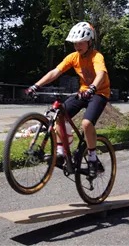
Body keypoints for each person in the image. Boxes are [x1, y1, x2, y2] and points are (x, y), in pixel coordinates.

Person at [25, 21, 110, 177]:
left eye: (81, 42)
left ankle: (92, 158)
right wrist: (36, 86)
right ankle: (61, 152)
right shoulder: (73, 57)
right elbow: (55, 72)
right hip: (83, 92)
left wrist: (93, 88)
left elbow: (101, 74)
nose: (78, 46)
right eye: (75, 43)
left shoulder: (96, 56)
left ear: (90, 41)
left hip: (99, 93)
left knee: (86, 123)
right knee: (59, 114)